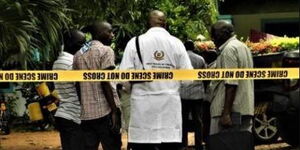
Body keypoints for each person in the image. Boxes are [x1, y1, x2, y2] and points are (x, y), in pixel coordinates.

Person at [119, 10, 193, 150]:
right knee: (169, 145)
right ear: (165, 24)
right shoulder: (176, 43)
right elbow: (189, 78)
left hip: (143, 108)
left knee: (143, 145)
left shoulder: (134, 43)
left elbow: (124, 77)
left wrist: (132, 85)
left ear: (148, 23)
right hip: (169, 109)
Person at [73, 21, 121, 150]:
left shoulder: (78, 54)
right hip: (105, 111)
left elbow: (77, 84)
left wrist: (83, 105)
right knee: (113, 146)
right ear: (100, 33)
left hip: (86, 114)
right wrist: (114, 111)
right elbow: (105, 81)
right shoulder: (106, 51)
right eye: (109, 32)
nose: (112, 35)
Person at [208, 21, 254, 149]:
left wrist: (226, 113)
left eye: (214, 35)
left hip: (229, 111)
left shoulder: (228, 50)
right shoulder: (243, 47)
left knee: (221, 145)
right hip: (244, 108)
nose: (212, 38)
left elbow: (231, 83)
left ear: (224, 34)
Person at [52, 30, 86, 150]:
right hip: (74, 116)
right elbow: (81, 90)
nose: (84, 48)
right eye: (82, 44)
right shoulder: (72, 63)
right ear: (70, 43)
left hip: (64, 113)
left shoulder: (57, 62)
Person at [179, 40, 206, 150]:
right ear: (193, 47)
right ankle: (198, 145)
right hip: (197, 95)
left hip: (183, 94)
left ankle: (183, 144)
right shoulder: (200, 59)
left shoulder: (181, 59)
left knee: (183, 120)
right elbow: (205, 76)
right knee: (198, 121)